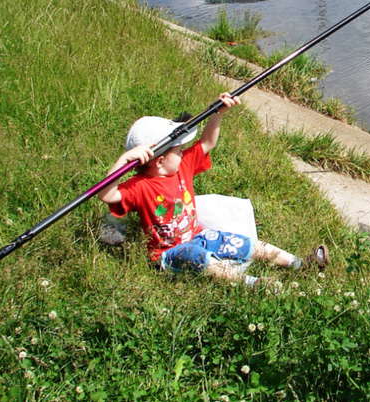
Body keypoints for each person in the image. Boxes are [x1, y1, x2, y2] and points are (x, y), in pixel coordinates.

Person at [98, 92, 329, 286]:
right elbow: (106, 194)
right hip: (167, 254)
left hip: (197, 235)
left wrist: (217, 113)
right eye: (178, 149)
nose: (182, 151)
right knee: (206, 262)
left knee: (243, 243)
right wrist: (124, 160)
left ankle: (300, 264)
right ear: (159, 161)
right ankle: (254, 284)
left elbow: (207, 143)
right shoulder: (140, 186)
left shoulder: (182, 166)